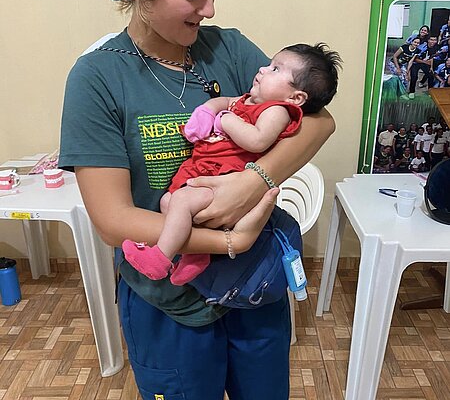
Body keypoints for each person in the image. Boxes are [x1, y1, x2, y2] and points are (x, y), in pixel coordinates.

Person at [59, 0, 335, 400]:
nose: (209, 8)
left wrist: (252, 181)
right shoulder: (97, 79)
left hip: (253, 293)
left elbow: (318, 121)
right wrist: (232, 237)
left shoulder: (229, 51)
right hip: (168, 300)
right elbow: (113, 220)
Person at [122, 43, 341, 285]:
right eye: (270, 64)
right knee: (168, 201)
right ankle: (196, 255)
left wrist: (226, 121)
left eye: (276, 69)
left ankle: (160, 258)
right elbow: (225, 101)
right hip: (204, 171)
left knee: (181, 201)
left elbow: (257, 141)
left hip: (226, 178)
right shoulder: (248, 100)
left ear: (296, 97)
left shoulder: (276, 111)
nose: (263, 69)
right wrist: (208, 110)